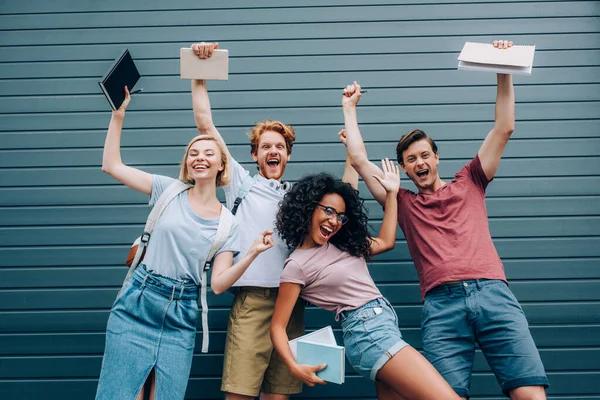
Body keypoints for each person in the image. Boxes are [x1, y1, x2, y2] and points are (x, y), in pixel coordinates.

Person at [341, 40, 549, 399]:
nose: (419, 163)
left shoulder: (471, 180)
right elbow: (358, 158)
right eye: (410, 159)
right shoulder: (401, 201)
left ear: (436, 157)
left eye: (424, 155)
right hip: (442, 305)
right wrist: (349, 107)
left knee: (529, 393)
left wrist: (504, 69)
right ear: (404, 168)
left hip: (493, 293)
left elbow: (504, 128)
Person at [96, 87, 274, 400]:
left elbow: (218, 284)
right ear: (187, 162)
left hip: (181, 314)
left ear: (222, 165)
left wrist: (251, 254)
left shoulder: (227, 223)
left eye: (208, 153)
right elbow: (112, 165)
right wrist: (118, 115)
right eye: (194, 153)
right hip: (138, 303)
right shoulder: (168, 190)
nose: (200, 157)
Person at [270, 166, 461, 400]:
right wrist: (293, 365)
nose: (334, 221)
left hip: (384, 328)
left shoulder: (343, 245)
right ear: (308, 208)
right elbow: (278, 327)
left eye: (340, 216)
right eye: (328, 211)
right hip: (369, 334)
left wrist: (392, 194)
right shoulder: (296, 265)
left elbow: (386, 241)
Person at [190, 41, 305, 400]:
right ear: (255, 155)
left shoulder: (298, 196)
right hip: (252, 300)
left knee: (279, 395)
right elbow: (205, 123)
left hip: (292, 300)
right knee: (240, 394)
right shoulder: (241, 182)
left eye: (280, 147)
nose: (274, 151)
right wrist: (199, 72)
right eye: (266, 146)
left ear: (287, 155)